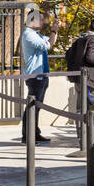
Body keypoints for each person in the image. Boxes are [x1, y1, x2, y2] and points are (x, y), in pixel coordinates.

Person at [66, 18, 94, 151]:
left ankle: (82, 138)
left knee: (81, 110)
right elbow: (91, 57)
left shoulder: (81, 38)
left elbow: (68, 54)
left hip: (79, 79)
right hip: (91, 81)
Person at [19, 11, 59, 144]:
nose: (42, 23)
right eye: (40, 20)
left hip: (41, 75)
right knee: (32, 106)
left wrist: (55, 30)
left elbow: (51, 42)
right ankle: (27, 136)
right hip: (34, 76)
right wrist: (53, 32)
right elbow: (47, 45)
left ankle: (35, 133)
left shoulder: (36, 34)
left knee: (37, 106)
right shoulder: (28, 34)